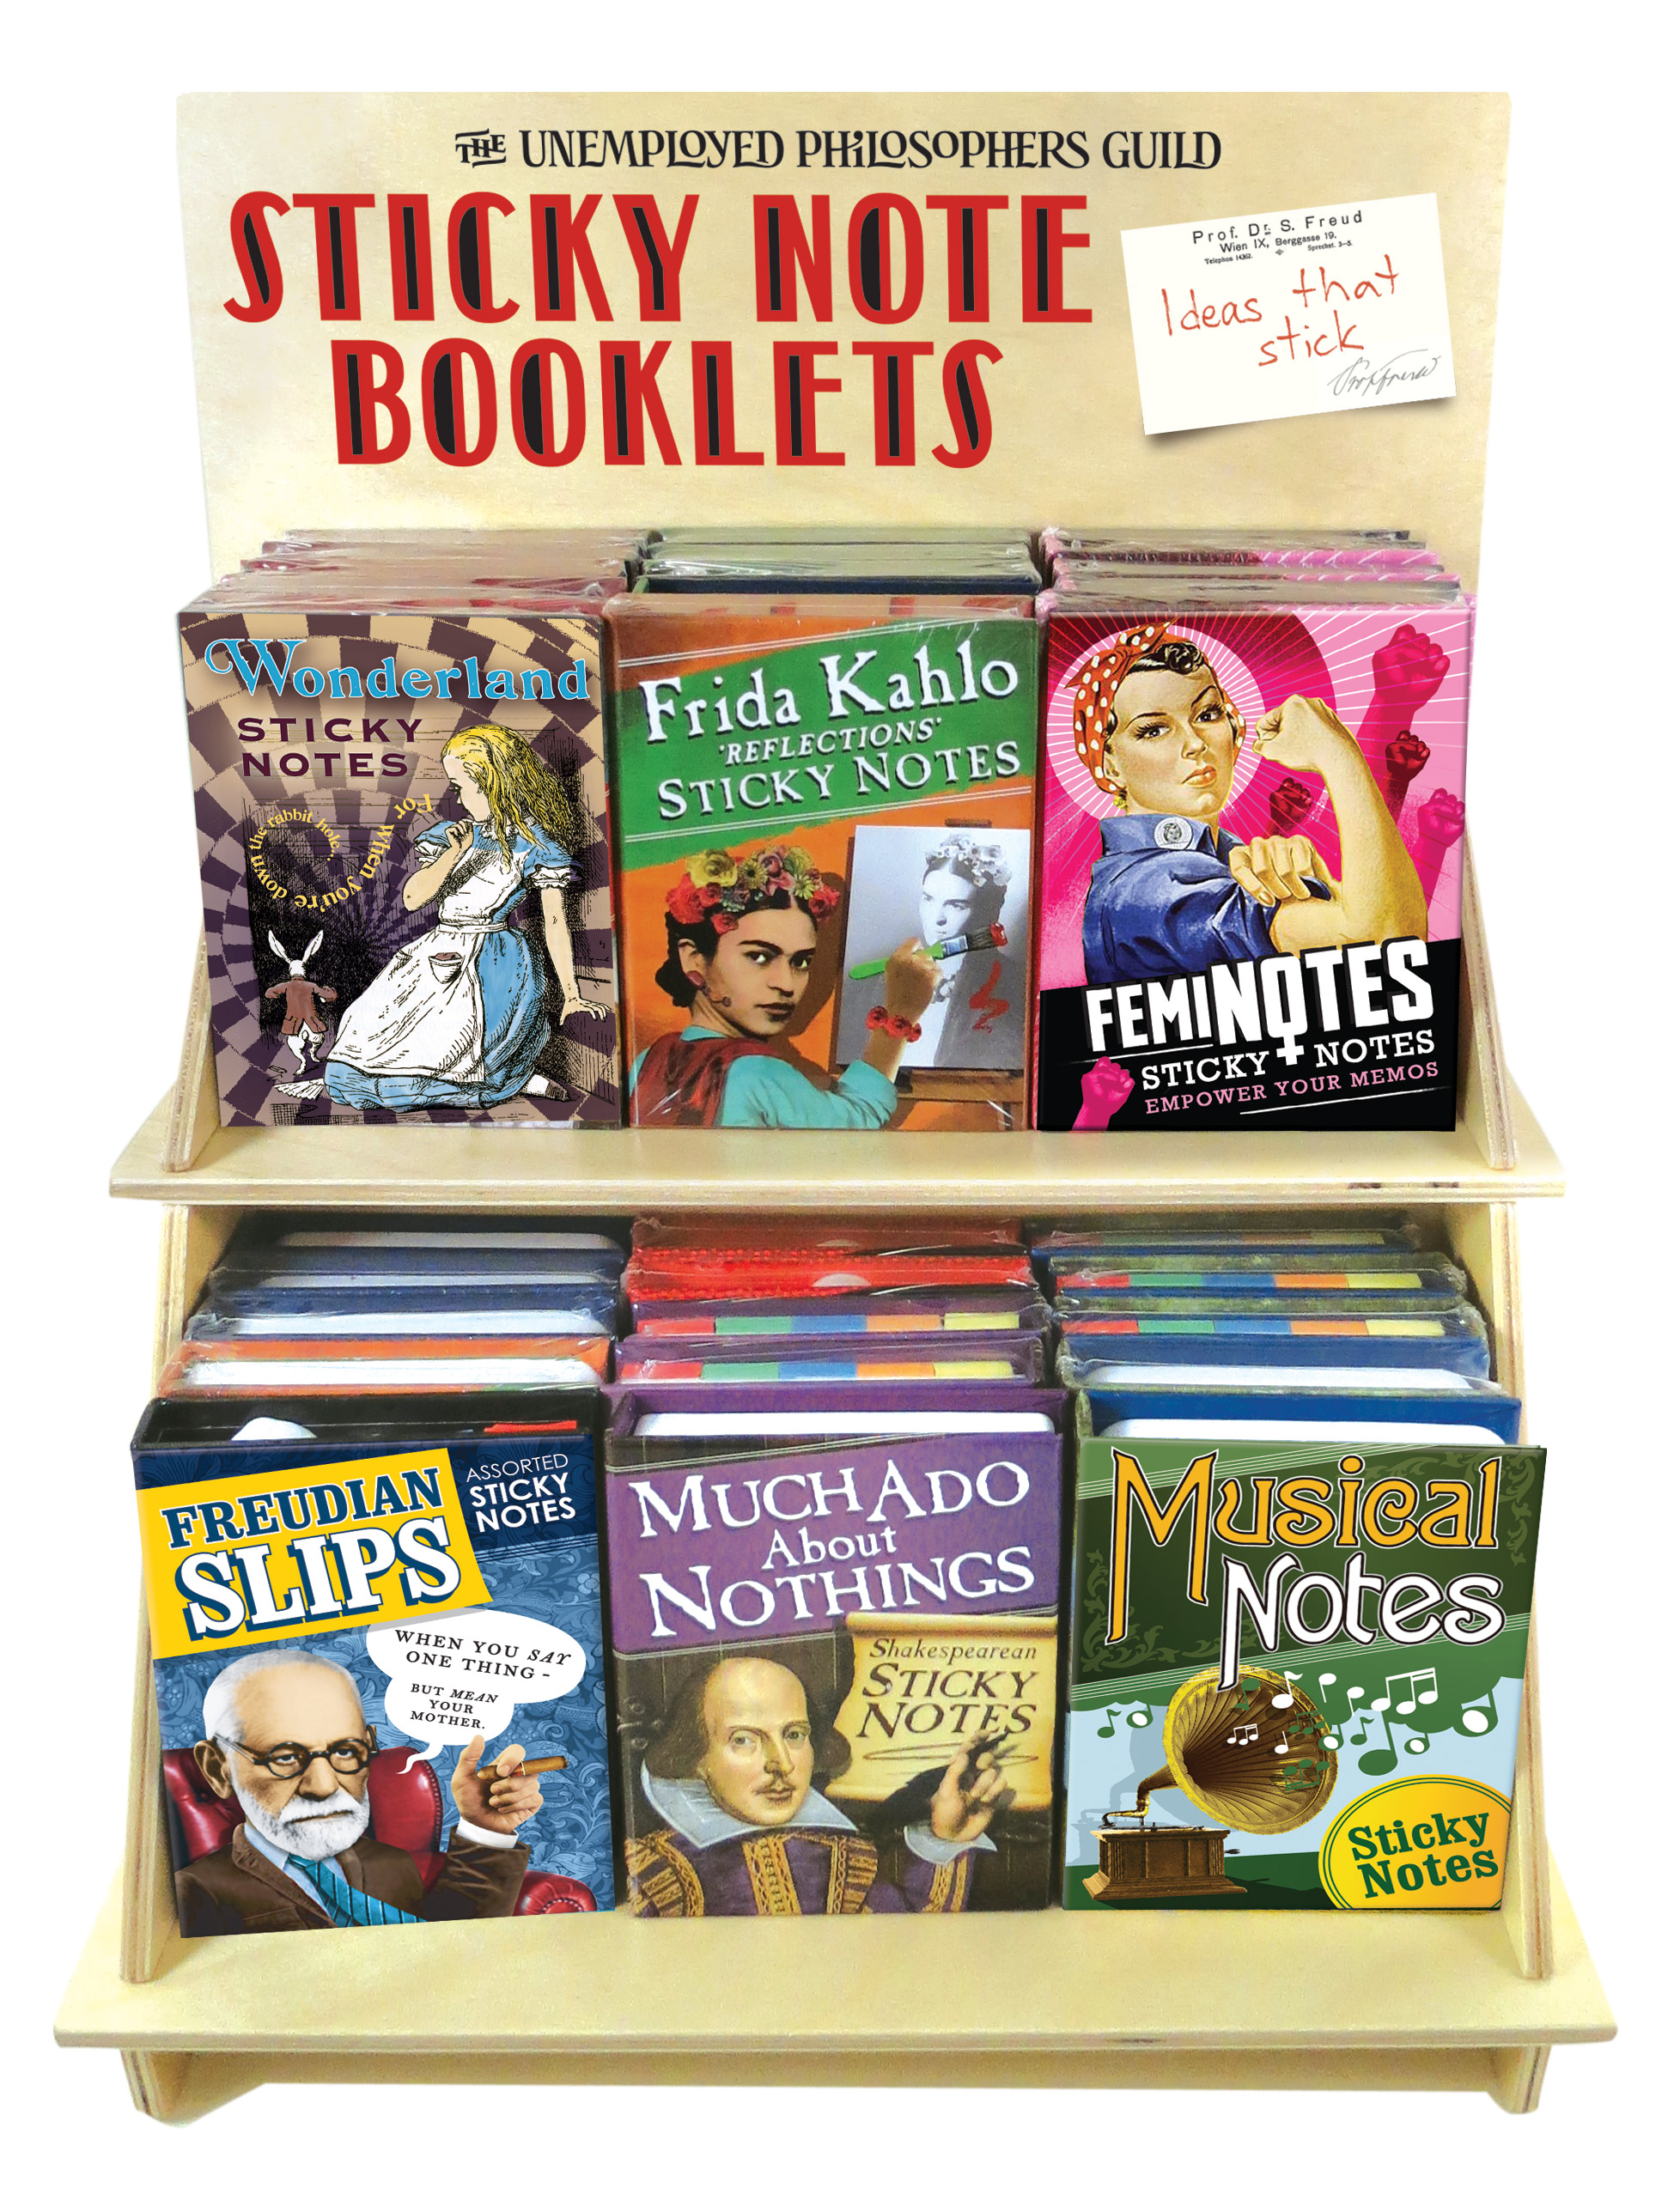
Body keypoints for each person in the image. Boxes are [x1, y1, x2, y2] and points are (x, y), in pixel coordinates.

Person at [1073, 623, 1430, 988]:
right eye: (1153, 730)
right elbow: (1390, 947)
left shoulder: (1220, 854)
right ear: (1111, 766)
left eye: (1207, 714)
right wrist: (1337, 753)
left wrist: (1321, 883)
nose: (1195, 743)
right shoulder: (1150, 889)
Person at [279, 722, 609, 1110]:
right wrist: (455, 853)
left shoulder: (536, 846)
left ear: (491, 784)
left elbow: (555, 921)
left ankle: (511, 1081)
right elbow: (413, 898)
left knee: (461, 1049)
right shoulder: (453, 835)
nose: (458, 797)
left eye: (460, 787)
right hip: (436, 948)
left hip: (493, 960)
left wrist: (572, 995)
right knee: (369, 1029)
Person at [175, 1649, 541, 1936]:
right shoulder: (196, 1892)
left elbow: (454, 1945)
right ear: (218, 1768)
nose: (324, 1785)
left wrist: (484, 1828)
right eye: (284, 1758)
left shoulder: (391, 1865)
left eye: (346, 1751)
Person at [624, 1654, 1004, 1916]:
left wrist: (947, 1836)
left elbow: (907, 1945)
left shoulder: (845, 1858)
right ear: (697, 1758)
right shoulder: (658, 1870)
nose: (781, 1764)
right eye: (744, 1740)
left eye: (794, 1734)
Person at [629, 844, 938, 1128]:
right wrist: (901, 1012)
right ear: (694, 960)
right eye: (759, 957)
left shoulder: (647, 1062)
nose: (786, 984)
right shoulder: (757, 1073)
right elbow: (856, 1121)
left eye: (801, 962)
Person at [912, 833, 1026, 1069]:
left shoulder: (1012, 983)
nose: (937, 918)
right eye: (929, 899)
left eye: (956, 905)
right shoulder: (894, 976)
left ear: (985, 911)